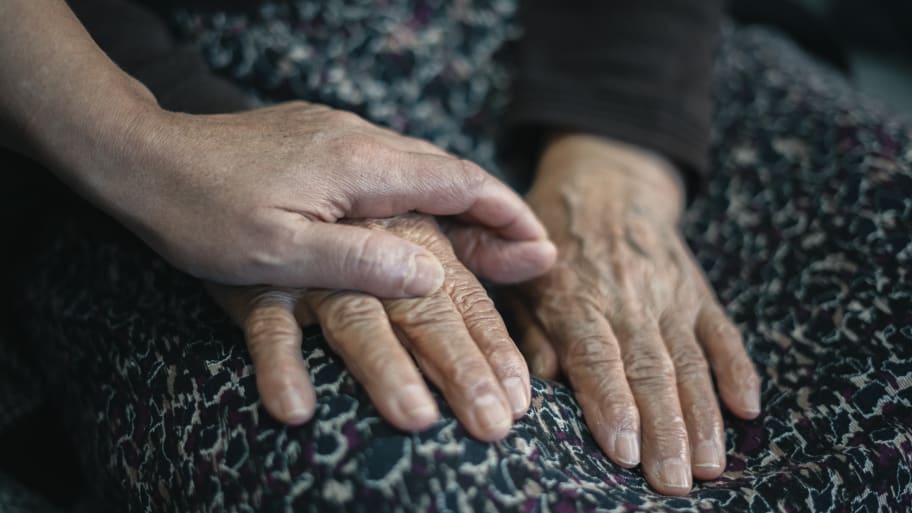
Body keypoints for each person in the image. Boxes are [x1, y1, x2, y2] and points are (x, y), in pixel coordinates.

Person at [2, 0, 909, 512]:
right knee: (397, 476)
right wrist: (152, 136)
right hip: (140, 106)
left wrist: (617, 145)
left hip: (573, 43)